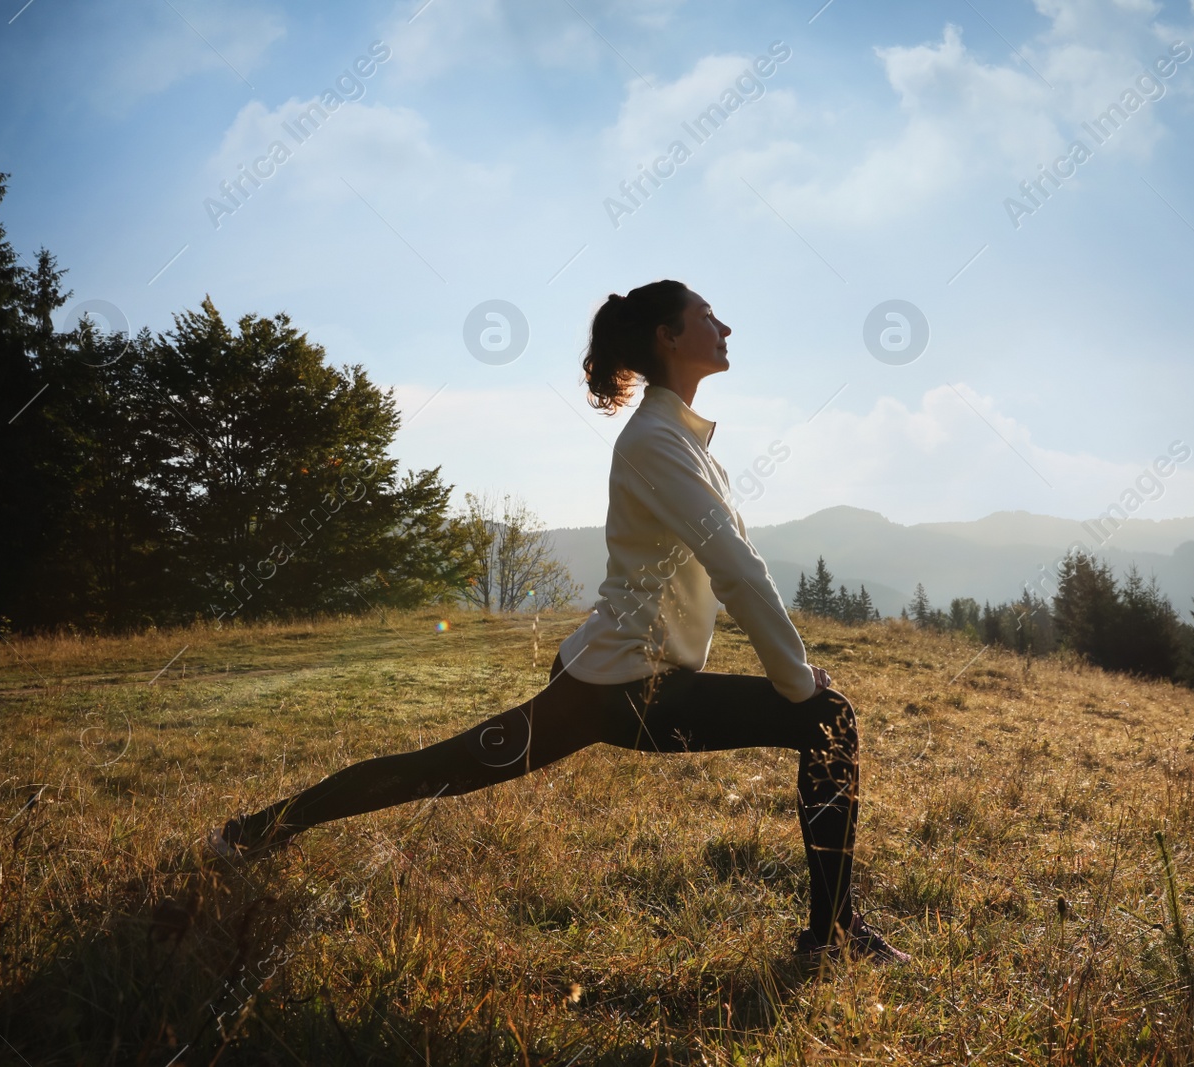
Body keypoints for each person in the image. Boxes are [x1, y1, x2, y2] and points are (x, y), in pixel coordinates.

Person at [208, 280, 910, 965]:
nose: (724, 327)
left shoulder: (682, 439)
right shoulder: (656, 441)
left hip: (610, 678)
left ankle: (255, 830)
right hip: (628, 685)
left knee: (443, 768)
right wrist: (795, 680)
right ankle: (834, 933)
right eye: (707, 315)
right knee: (825, 718)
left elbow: (734, 561)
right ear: (668, 336)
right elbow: (738, 567)